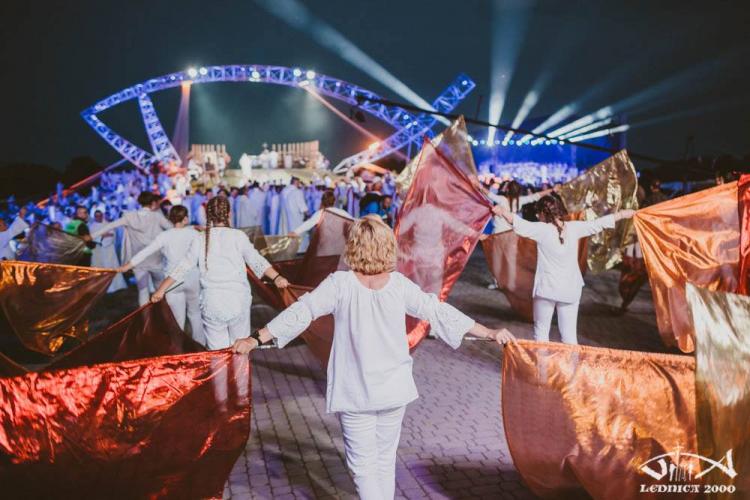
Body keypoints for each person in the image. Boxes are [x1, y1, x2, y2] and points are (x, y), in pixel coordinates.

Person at [232, 216, 515, 500]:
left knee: (364, 467)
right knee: (383, 460)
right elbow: (439, 312)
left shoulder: (339, 284)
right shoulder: (398, 285)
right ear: (387, 246)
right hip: (393, 388)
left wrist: (256, 338)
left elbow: (301, 312)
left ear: (354, 247)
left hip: (356, 391)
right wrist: (489, 332)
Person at [150, 197, 290, 350]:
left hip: (212, 303)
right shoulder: (238, 236)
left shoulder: (200, 238)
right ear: (229, 214)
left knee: (217, 355)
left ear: (208, 216)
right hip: (237, 300)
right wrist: (277, 277)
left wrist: (161, 290)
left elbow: (182, 267)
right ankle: (239, 374)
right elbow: (257, 261)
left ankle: (221, 374)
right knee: (240, 350)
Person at [493, 195, 635, 344]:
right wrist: (623, 214)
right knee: (569, 337)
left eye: (538, 212)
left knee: (541, 334)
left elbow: (518, 223)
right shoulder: (574, 227)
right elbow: (598, 224)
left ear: (543, 213)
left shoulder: (542, 230)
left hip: (547, 289)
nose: (536, 215)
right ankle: (570, 367)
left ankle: (542, 367)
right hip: (570, 289)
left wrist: (502, 211)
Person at [117, 205, 205, 345]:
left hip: (171, 281)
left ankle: (177, 348)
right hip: (192, 277)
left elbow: (145, 252)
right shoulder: (193, 233)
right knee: (195, 314)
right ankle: (200, 345)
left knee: (176, 319)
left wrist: (127, 265)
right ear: (186, 218)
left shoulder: (165, 236)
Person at [91, 192, 172, 306]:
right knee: (160, 288)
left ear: (139, 202)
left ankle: (146, 318)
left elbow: (110, 226)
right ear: (152, 203)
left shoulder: (129, 216)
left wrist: (91, 236)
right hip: (156, 258)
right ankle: (164, 313)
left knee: (142, 291)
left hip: (137, 259)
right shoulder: (157, 216)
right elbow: (171, 228)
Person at [89, 210, 127, 292]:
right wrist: (102, 237)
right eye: (97, 216)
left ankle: (116, 285)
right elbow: (92, 238)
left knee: (112, 266)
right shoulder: (92, 226)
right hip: (99, 251)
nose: (98, 217)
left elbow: (112, 235)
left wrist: (103, 237)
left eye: (100, 215)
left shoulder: (107, 224)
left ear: (102, 215)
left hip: (109, 250)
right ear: (94, 217)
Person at [288, 190, 352, 238]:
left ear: (322, 201)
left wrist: (295, 232)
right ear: (334, 201)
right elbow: (353, 221)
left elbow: (308, 223)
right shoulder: (341, 212)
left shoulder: (320, 213)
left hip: (324, 244)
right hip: (338, 244)